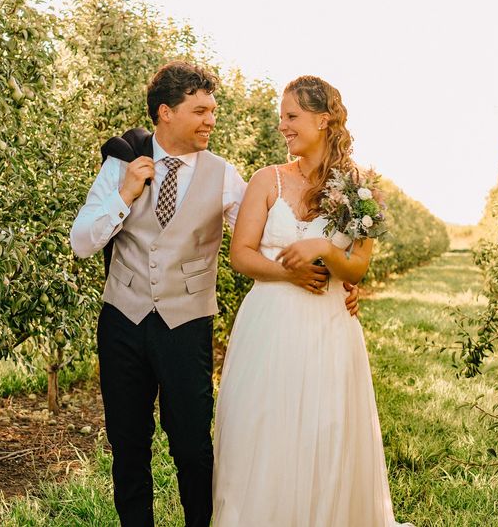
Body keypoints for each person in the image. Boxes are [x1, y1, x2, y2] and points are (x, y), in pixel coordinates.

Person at [70, 62, 359, 527]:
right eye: (201, 111)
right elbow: (82, 242)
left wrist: (340, 280)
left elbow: (269, 238)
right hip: (122, 321)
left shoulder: (225, 176)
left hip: (187, 325)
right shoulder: (122, 164)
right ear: (166, 113)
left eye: (214, 111)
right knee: (127, 444)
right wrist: (124, 194)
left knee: (191, 446)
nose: (211, 121)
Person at [212, 75, 414, 527]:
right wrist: (289, 270)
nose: (282, 126)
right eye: (279, 117)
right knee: (261, 432)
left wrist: (324, 250)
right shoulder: (268, 181)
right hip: (269, 325)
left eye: (291, 116)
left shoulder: (361, 190)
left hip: (329, 326)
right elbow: (240, 255)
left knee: (326, 431)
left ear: (324, 120)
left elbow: (357, 268)